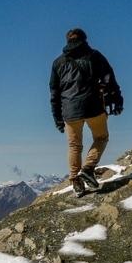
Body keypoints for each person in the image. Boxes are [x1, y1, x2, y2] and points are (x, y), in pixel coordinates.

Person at [49, 28, 124, 196]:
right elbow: (109, 79)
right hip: (94, 107)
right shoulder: (95, 56)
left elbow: (54, 93)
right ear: (85, 39)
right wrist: (117, 100)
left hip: (69, 111)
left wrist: (58, 119)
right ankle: (88, 168)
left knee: (74, 146)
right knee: (101, 138)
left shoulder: (58, 63)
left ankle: (76, 181)